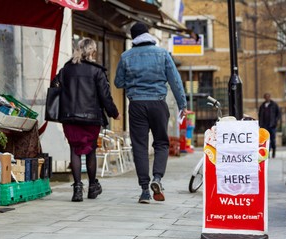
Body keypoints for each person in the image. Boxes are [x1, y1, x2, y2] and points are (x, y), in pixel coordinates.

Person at [114, 22, 188, 204]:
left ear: (133, 38)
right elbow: (175, 81)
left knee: (139, 146)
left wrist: (134, 80)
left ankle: (145, 190)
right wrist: (182, 104)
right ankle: (157, 178)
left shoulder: (126, 56)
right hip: (158, 104)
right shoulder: (162, 54)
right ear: (148, 34)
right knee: (161, 143)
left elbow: (118, 82)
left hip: (137, 105)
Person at [53, 38, 121, 202]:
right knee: (90, 150)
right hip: (91, 118)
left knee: (74, 150)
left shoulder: (66, 69)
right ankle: (92, 187)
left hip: (69, 117)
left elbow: (54, 86)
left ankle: (77, 189)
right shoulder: (97, 71)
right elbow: (105, 96)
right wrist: (114, 113)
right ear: (91, 52)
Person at [258, 92, 280, 158]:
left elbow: (278, 114)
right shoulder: (262, 106)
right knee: (266, 141)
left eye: (268, 96)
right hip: (264, 126)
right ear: (264, 98)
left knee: (273, 140)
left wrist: (275, 122)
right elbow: (259, 115)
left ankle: (273, 153)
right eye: (266, 97)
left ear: (270, 97)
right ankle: (267, 154)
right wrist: (261, 124)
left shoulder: (274, 105)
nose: (267, 98)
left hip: (272, 126)